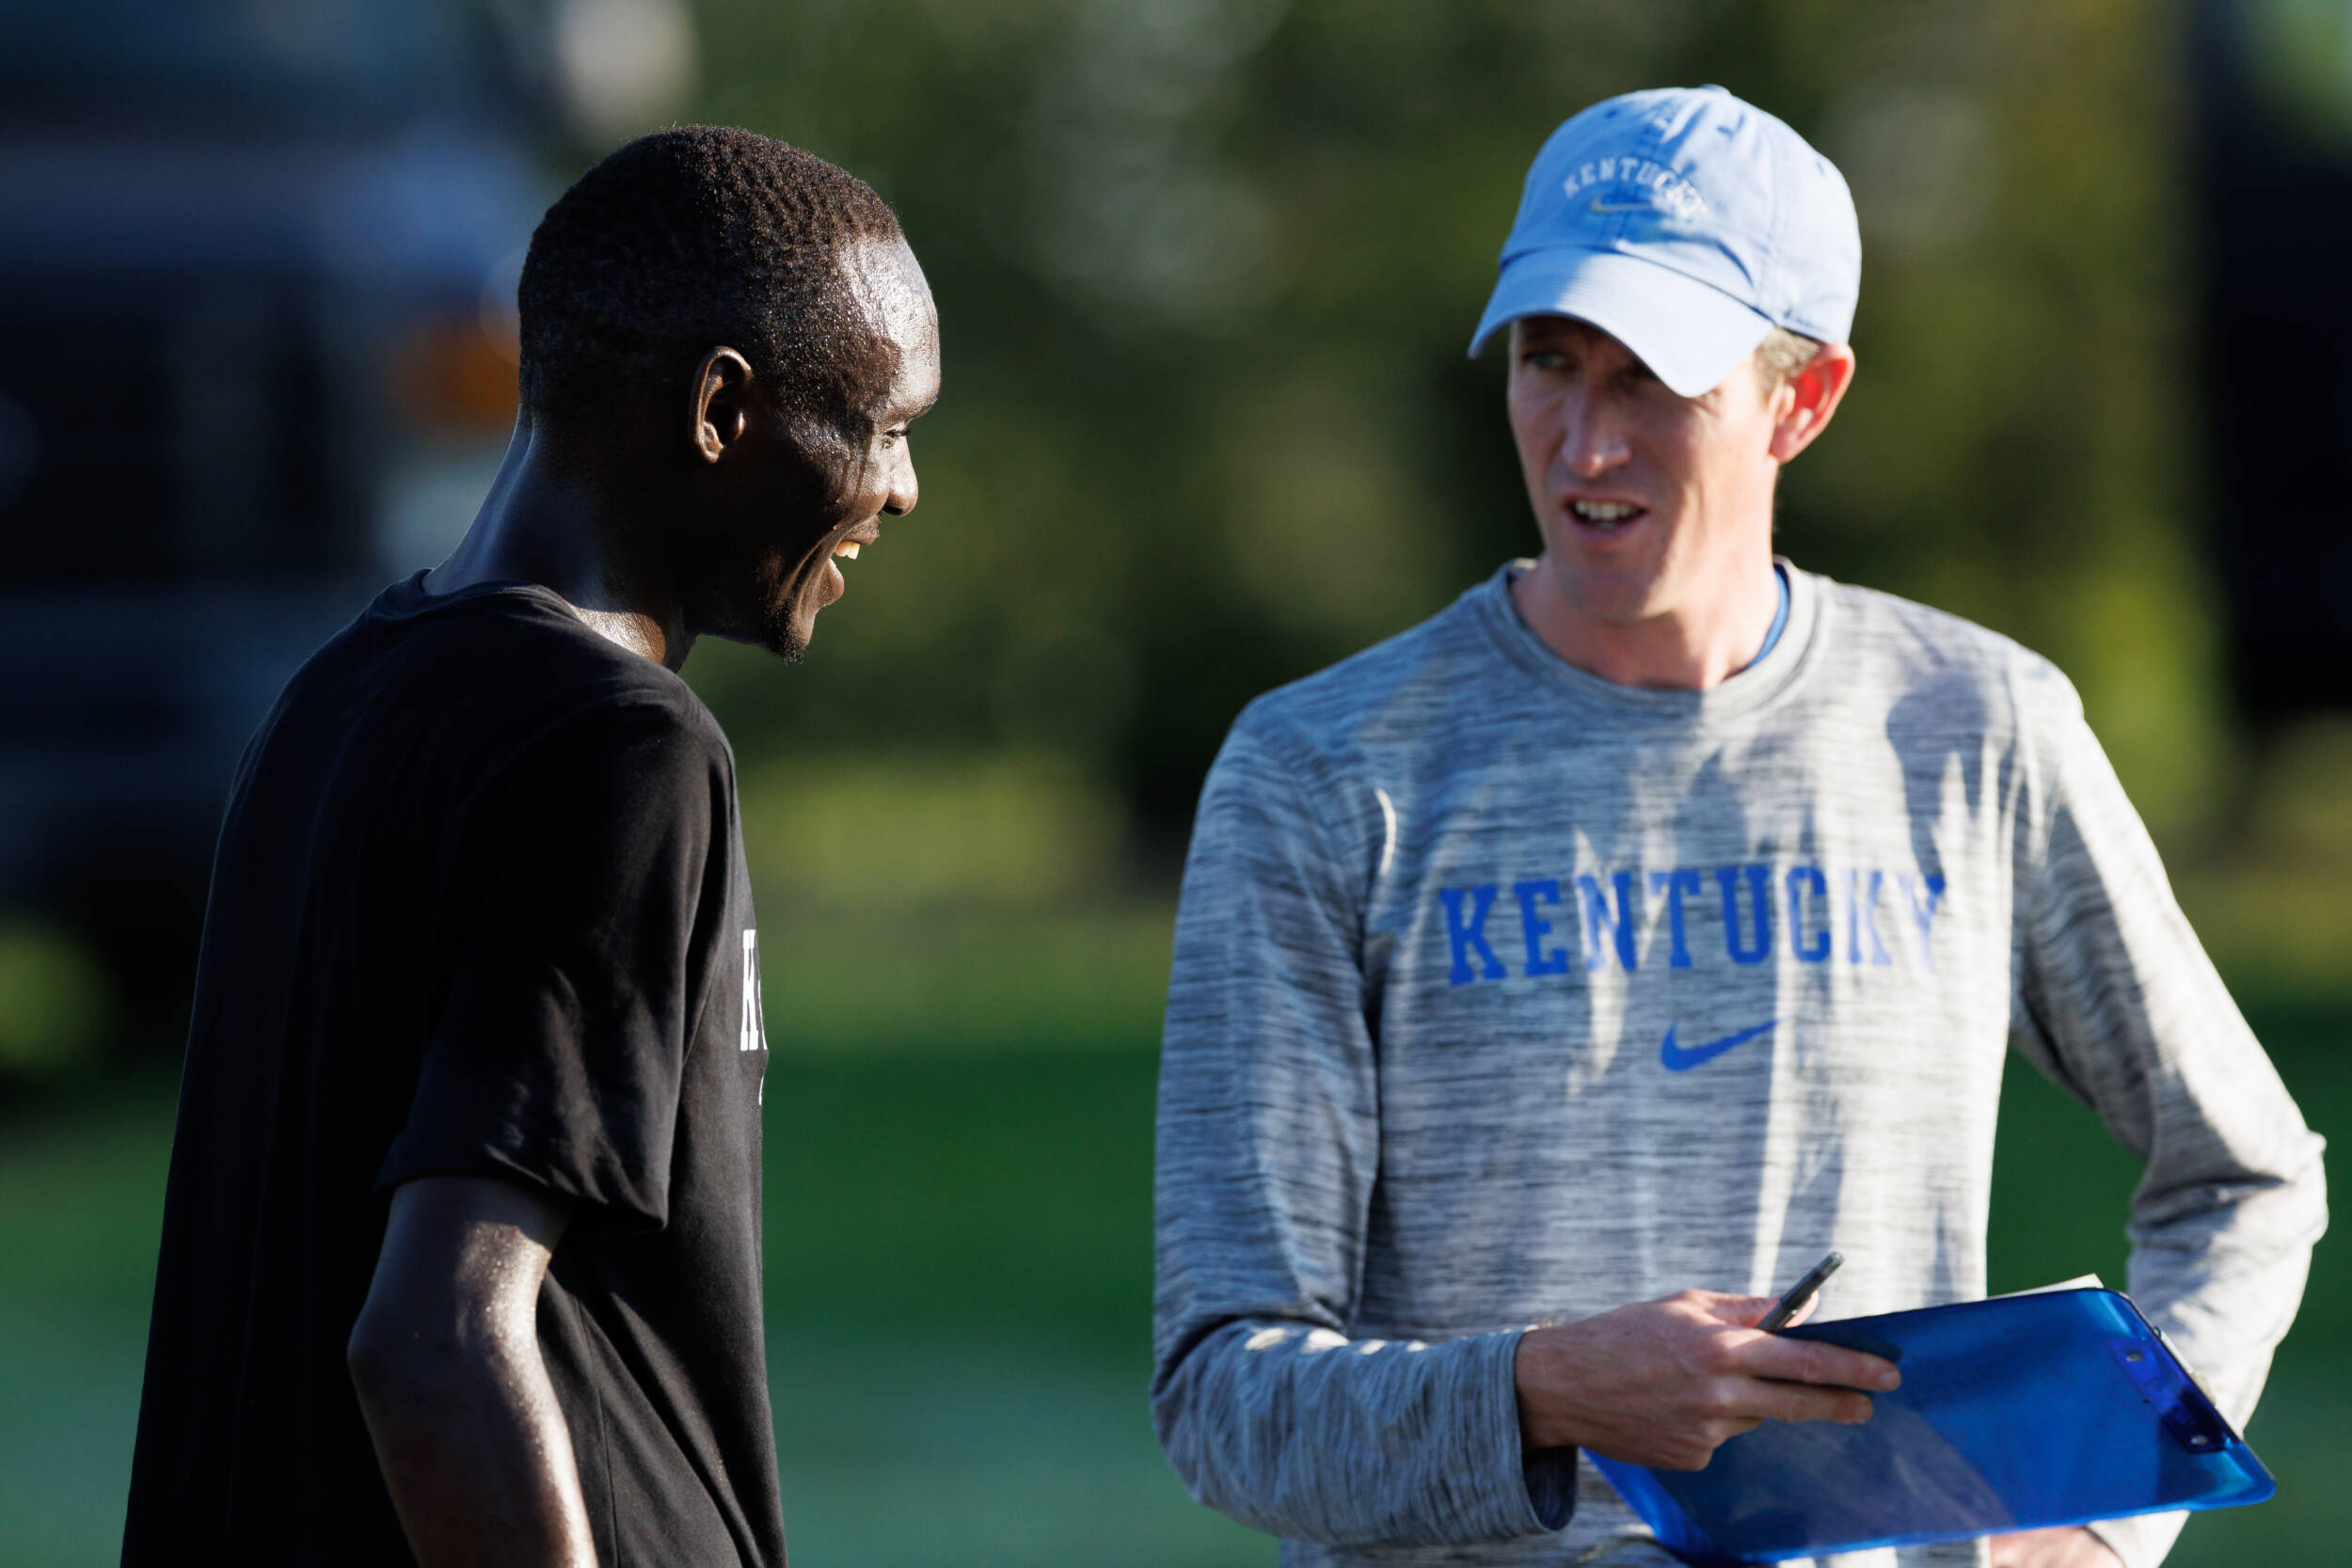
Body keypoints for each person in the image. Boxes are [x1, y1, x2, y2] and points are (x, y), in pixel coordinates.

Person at [1151, 86, 2324, 1568]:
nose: (1584, 442)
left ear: (1803, 398)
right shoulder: (1320, 774)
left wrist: (2101, 1519)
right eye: (1550, 361)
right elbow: (1222, 1398)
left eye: (1653, 380)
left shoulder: (1976, 727)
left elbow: (2249, 1173)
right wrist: (1551, 1389)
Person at [120, 126, 940, 1567]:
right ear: (721, 412)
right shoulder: (622, 752)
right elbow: (435, 1341)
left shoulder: (328, 705)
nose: (902, 487)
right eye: (881, 425)